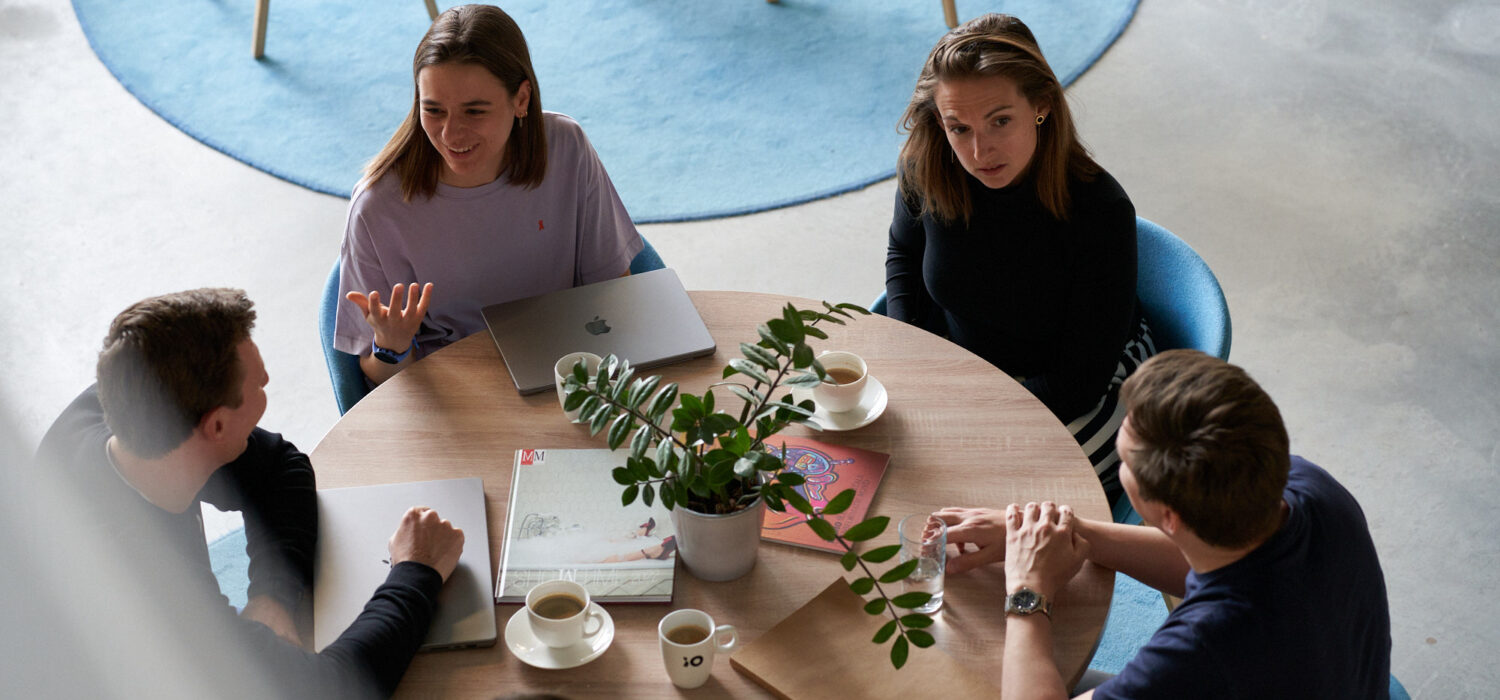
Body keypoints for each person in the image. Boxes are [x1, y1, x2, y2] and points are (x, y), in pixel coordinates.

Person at [35, 288, 466, 699]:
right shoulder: (155, 591)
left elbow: (283, 468)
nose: (267, 381)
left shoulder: (135, 410)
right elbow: (332, 689)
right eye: (258, 386)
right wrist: (416, 570)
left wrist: (272, 596)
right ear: (217, 426)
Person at [938, 350, 1391, 699]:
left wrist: (1028, 589)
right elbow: (1210, 556)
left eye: (1125, 460)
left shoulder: (1202, 649)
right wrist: (1064, 533)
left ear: (1169, 515)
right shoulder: (1311, 488)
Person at [885, 13, 1152, 503]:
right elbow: (903, 253)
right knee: (887, 462)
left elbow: (1080, 381)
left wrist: (970, 417)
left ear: (1041, 105)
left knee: (989, 495)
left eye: (1000, 121)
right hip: (970, 371)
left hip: (1082, 385)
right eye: (958, 128)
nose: (979, 151)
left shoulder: (1100, 211)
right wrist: (913, 361)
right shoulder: (927, 167)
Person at [335, 4, 644, 386]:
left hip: (572, 371)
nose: (450, 134)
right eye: (434, 110)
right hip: (458, 392)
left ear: (521, 99)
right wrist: (392, 347)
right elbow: (379, 381)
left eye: (474, 111)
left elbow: (615, 289)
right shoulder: (378, 208)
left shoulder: (567, 147)